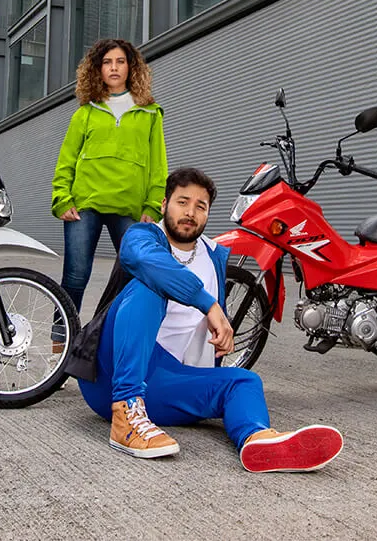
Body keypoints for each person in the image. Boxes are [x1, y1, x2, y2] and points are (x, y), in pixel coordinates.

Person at [76, 167, 344, 473]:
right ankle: (126, 415)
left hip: (166, 381)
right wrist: (210, 305)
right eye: (182, 202)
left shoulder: (215, 256)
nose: (190, 212)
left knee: (244, 381)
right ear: (164, 205)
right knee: (149, 287)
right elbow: (146, 262)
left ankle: (257, 440)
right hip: (108, 377)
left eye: (200, 206)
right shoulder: (143, 236)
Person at [51, 38, 166, 314]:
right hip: (84, 206)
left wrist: (153, 205)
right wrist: (62, 198)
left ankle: (105, 338)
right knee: (75, 278)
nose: (113, 68)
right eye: (107, 62)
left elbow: (158, 165)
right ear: (98, 69)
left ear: (131, 68)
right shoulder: (85, 113)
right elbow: (66, 160)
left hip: (129, 206)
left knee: (131, 278)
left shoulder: (150, 113)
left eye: (120, 61)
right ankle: (60, 346)